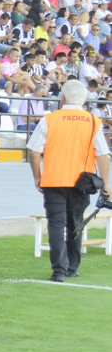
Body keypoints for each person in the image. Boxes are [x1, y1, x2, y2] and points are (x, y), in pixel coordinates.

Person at [27, 79, 112, 282]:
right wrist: (106, 183)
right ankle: (72, 267)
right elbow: (103, 154)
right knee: (75, 224)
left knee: (56, 224)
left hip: (53, 180)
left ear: (63, 97)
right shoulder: (92, 121)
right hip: (81, 182)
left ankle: (59, 271)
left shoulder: (50, 119)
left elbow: (33, 150)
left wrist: (37, 176)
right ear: (83, 99)